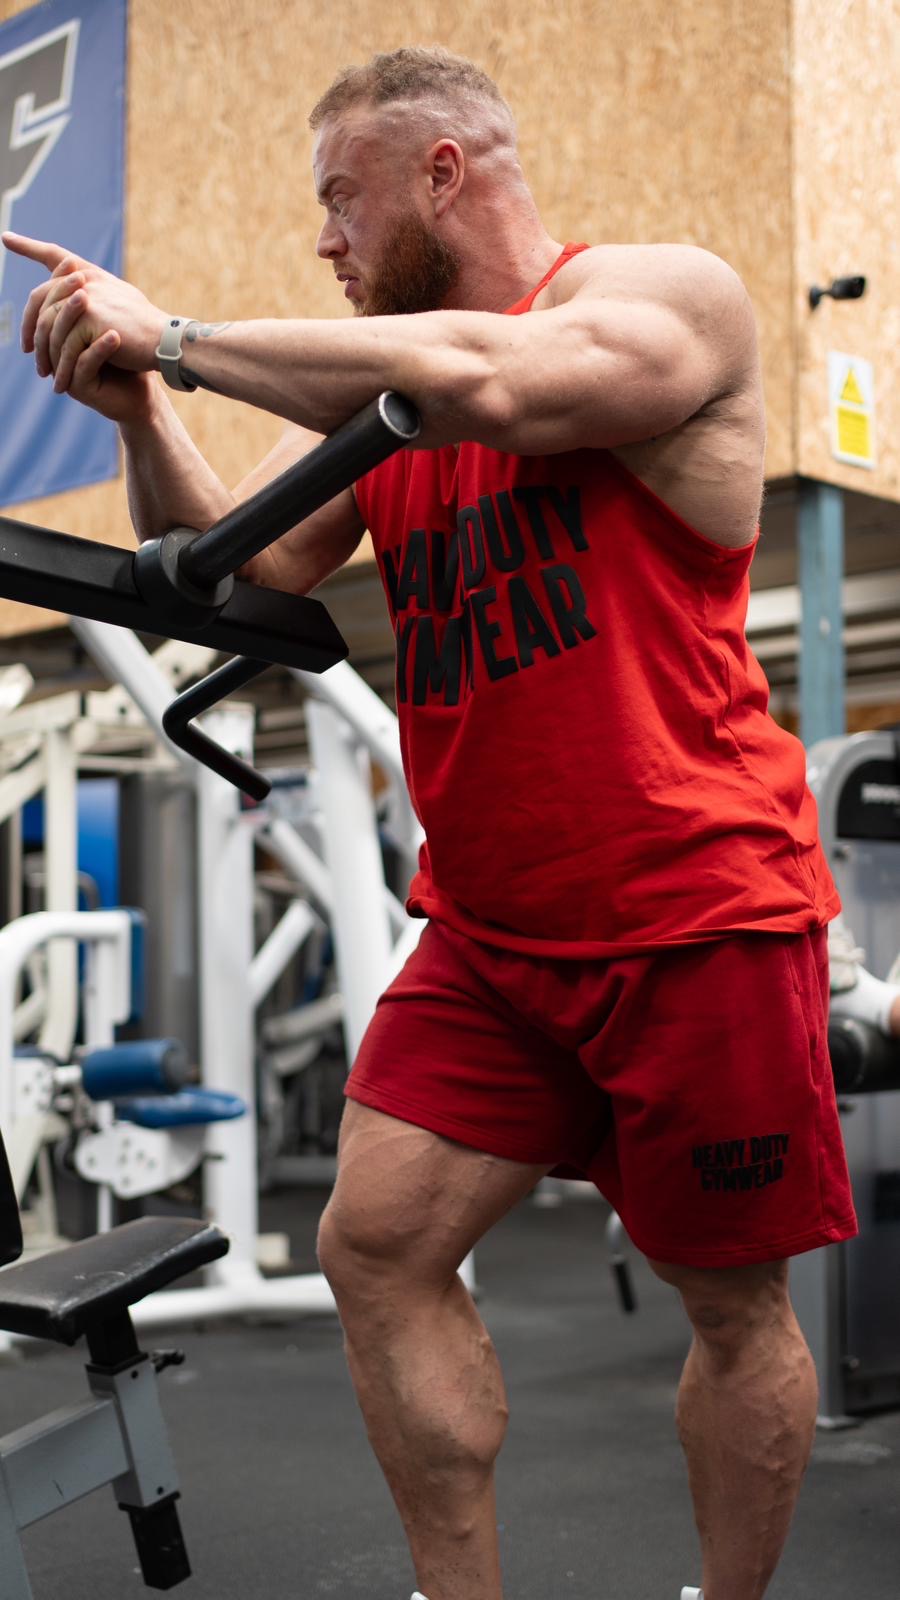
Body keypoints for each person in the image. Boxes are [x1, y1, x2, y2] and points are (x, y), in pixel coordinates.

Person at [3, 45, 858, 1600]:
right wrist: (138, 407)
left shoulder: (661, 296)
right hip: (490, 932)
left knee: (731, 1302)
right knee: (377, 1244)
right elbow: (234, 564)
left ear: (442, 173)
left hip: (694, 912)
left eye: (344, 199)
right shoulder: (385, 404)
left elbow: (499, 382)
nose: (325, 238)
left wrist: (177, 334)